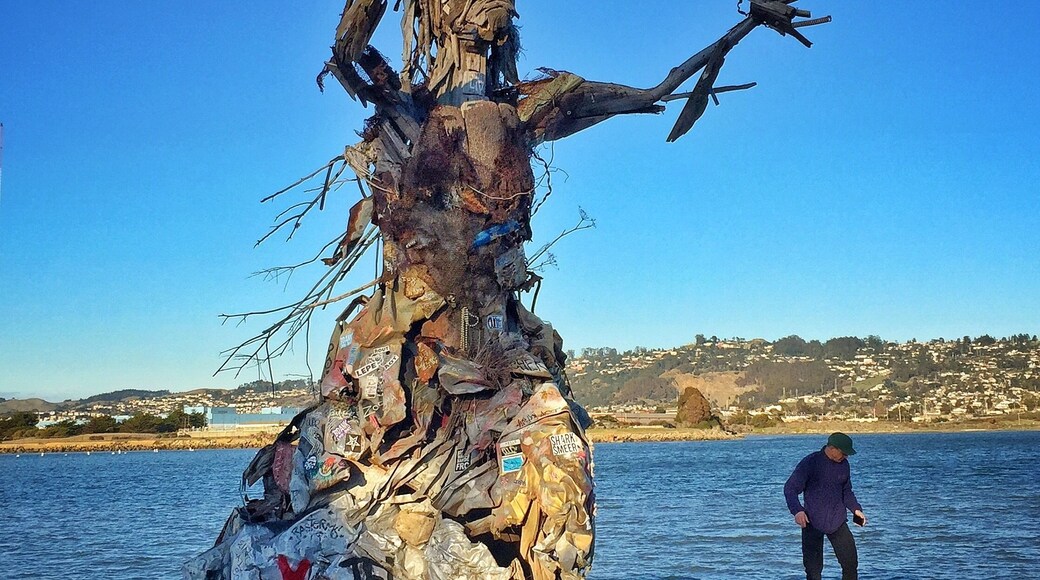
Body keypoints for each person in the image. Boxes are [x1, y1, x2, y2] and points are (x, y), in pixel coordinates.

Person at [784, 432, 867, 580]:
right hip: (811, 522)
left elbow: (846, 491)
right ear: (832, 448)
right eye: (844, 453)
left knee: (850, 564)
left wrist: (856, 509)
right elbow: (790, 489)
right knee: (813, 571)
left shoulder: (844, 465)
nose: (846, 457)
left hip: (838, 521)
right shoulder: (811, 462)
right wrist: (797, 511)